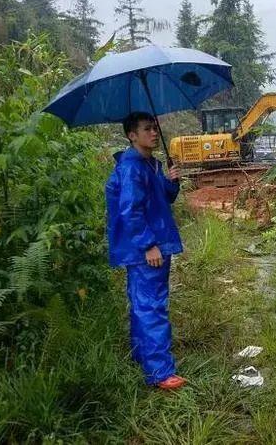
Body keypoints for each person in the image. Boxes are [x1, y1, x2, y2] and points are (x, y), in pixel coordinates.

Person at [106, 112, 186, 390]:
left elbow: (163, 199)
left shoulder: (150, 164)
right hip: (147, 249)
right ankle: (160, 372)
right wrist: (148, 244)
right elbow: (130, 210)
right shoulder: (132, 167)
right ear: (132, 135)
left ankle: (142, 357)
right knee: (152, 307)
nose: (154, 133)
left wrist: (171, 181)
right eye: (147, 129)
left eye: (155, 128)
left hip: (156, 242)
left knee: (144, 304)